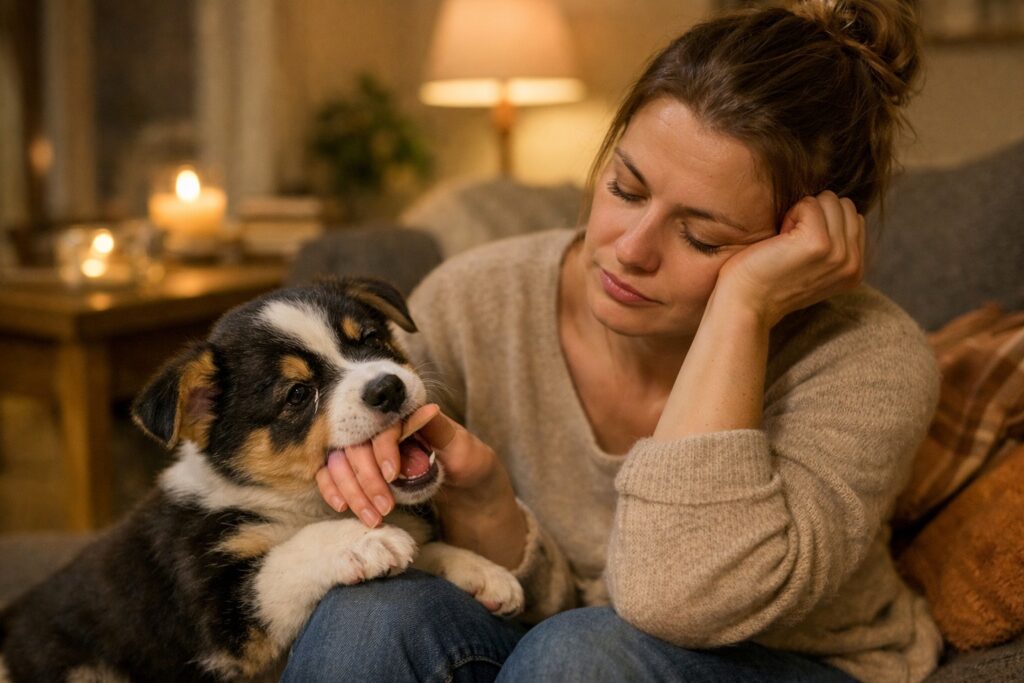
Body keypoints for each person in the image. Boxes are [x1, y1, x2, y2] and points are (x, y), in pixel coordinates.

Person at [283, 0, 943, 680]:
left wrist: (741, 310)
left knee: (581, 655)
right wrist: (481, 507)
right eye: (626, 188)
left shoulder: (870, 360)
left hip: (796, 663)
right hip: (549, 643)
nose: (630, 249)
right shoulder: (474, 301)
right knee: (371, 615)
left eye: (702, 236)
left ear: (798, 245)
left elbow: (673, 597)